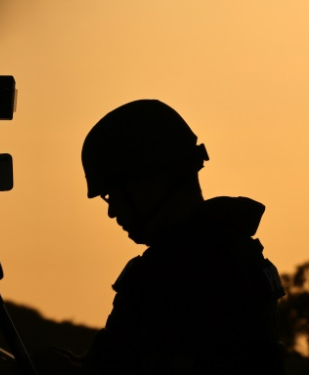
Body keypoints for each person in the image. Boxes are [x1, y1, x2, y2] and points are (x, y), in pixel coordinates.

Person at [79, 100, 285, 374]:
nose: (112, 211)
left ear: (152, 180)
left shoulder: (171, 274)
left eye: (114, 194)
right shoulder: (237, 255)